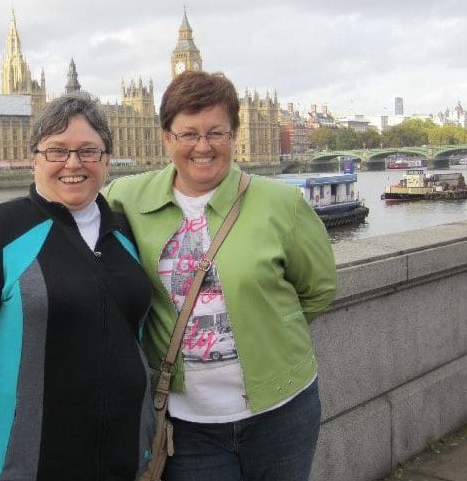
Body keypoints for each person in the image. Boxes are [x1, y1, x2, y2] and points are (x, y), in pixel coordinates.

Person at [104, 70, 337, 481]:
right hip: (186, 425)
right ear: (166, 137)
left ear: (234, 135)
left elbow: (318, 288)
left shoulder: (281, 203)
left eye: (217, 133)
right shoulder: (126, 198)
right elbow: (70, 220)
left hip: (281, 411)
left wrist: (269, 327)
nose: (203, 146)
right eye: (188, 134)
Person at [0, 95, 154, 481]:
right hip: (21, 470)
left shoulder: (124, 234)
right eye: (57, 151)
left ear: (106, 159)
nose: (73, 163)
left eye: (89, 151)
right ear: (35, 158)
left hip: (120, 465)